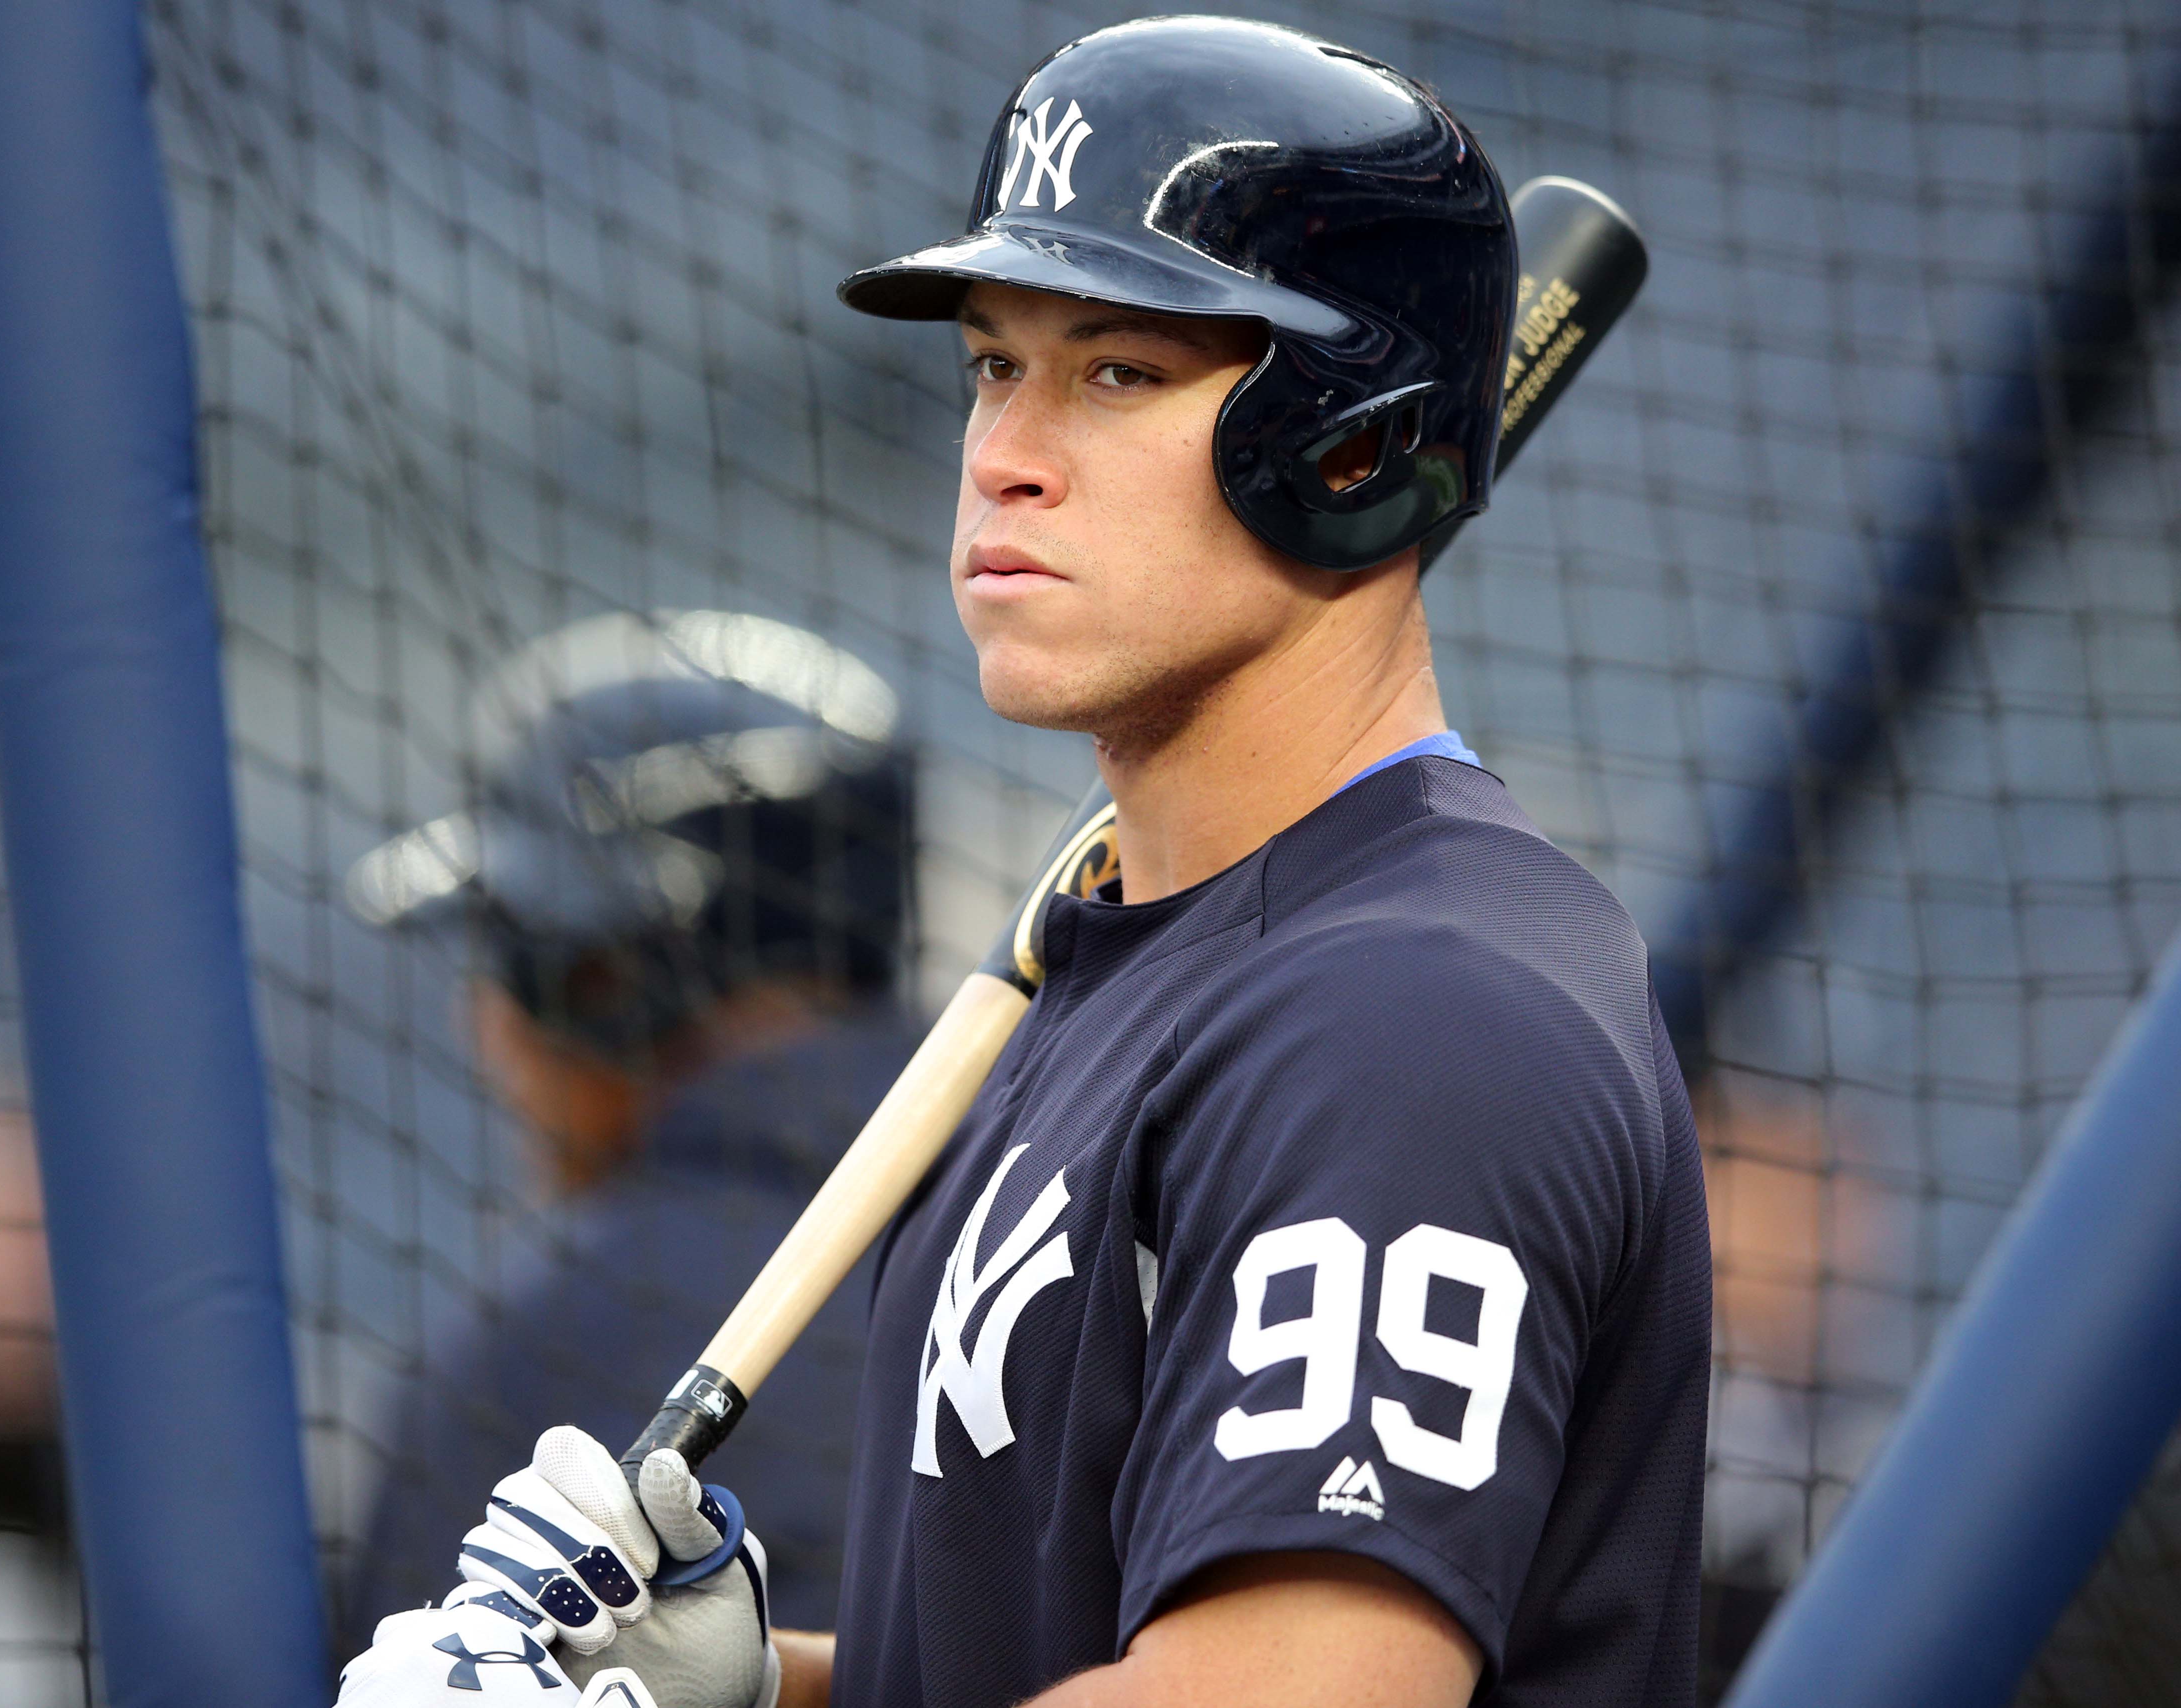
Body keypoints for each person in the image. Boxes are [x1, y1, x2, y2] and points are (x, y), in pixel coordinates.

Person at [336, 18, 1709, 1708]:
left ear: (1355, 448)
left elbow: (1288, 1688)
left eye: (1117, 370)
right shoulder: (1130, 951)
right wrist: (773, 1691)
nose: (1004, 451)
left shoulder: (1412, 1016)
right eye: (995, 362)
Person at [340, 609, 918, 1640]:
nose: (484, 1022)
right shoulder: (1066, 1197)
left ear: (607, 980)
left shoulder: (552, 1337)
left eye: (510, 952)